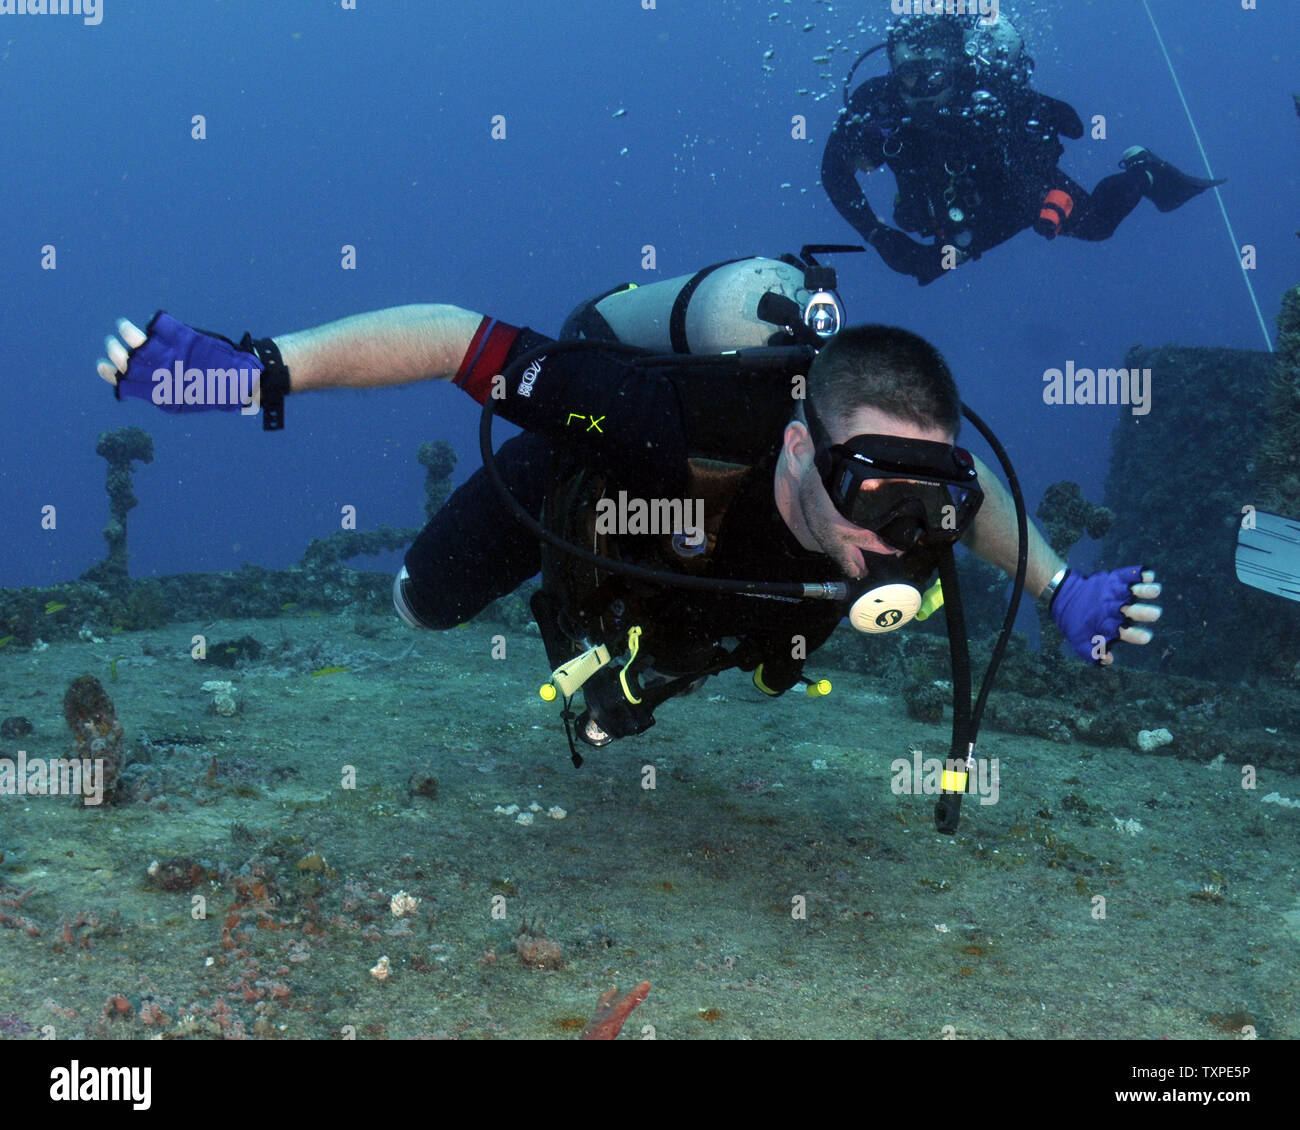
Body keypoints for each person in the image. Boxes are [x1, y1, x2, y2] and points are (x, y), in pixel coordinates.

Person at [96, 295, 1163, 756]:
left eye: (926, 496)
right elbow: (458, 341)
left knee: (734, 652)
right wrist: (259, 370)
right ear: (800, 444)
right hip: (587, 489)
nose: (902, 531)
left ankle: (637, 661)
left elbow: (981, 511)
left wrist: (1059, 586)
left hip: (718, 577)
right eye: (872, 488)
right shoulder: (666, 416)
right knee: (417, 605)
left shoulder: (929, 498)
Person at [822, 13, 1225, 285]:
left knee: (1098, 225)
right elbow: (833, 170)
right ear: (895, 71)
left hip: (1012, 190)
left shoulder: (986, 100)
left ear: (957, 68)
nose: (923, 89)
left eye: (936, 74)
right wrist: (876, 234)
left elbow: (1062, 140)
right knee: (918, 245)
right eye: (910, 75)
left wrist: (964, 245)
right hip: (940, 208)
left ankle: (1144, 170)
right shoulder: (876, 104)